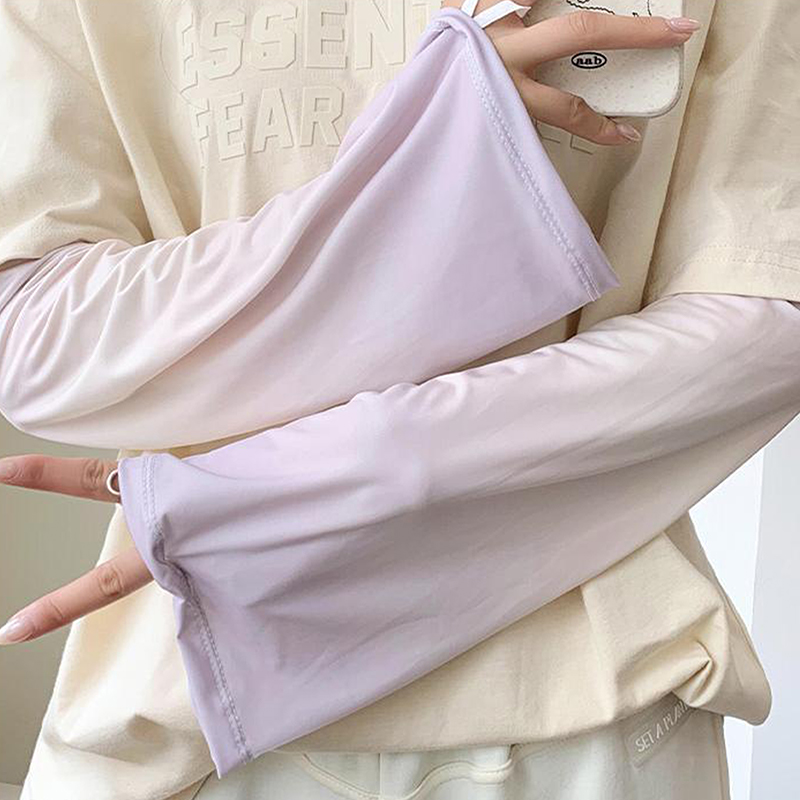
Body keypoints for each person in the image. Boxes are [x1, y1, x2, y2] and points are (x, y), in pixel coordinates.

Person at [0, 1, 798, 798]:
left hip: (592, 694)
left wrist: (301, 487)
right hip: (188, 706)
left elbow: (764, 311)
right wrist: (430, 156)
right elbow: (35, 333)